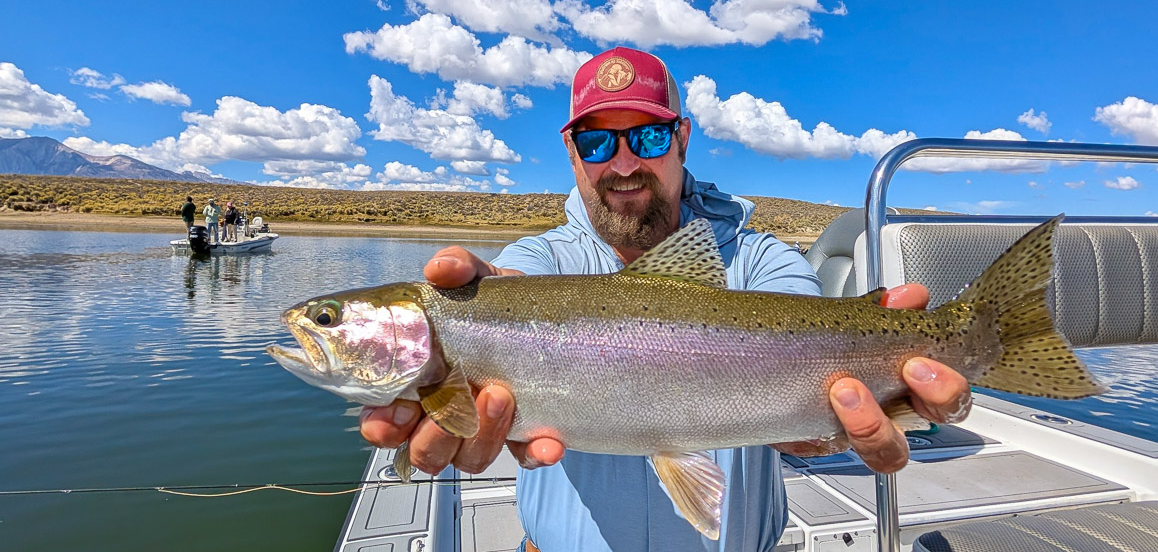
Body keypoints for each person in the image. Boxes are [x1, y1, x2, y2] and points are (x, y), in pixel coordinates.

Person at [359, 47, 972, 552]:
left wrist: (830, 427)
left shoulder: (765, 263)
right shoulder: (536, 266)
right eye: (597, 144)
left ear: (681, 139)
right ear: (572, 154)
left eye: (647, 138)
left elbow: (818, 367)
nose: (623, 164)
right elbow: (510, 285)